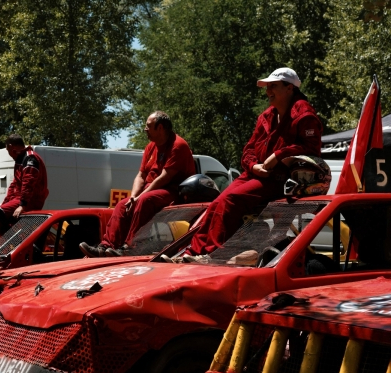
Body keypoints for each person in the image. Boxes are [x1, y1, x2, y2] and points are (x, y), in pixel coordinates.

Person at [166, 67, 322, 263]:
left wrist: (278, 155)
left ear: (289, 88)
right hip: (256, 174)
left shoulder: (305, 115)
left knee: (230, 200)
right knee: (216, 204)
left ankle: (214, 255)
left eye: (273, 86)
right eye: (267, 87)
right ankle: (193, 253)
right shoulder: (266, 116)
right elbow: (248, 149)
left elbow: (312, 150)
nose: (268, 92)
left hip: (281, 179)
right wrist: (253, 166)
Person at [80, 111, 195, 257]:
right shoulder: (150, 147)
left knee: (144, 200)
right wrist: (133, 197)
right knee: (123, 205)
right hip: (150, 191)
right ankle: (106, 246)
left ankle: (129, 247)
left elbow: (165, 177)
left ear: (160, 128)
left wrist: (141, 196)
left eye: (148, 126)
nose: (145, 129)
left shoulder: (178, 145)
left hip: (172, 191)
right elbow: (141, 175)